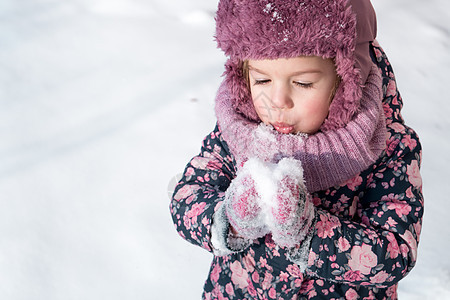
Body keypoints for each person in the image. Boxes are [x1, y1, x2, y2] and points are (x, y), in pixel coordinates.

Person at [169, 0, 423, 298]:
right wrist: (230, 220)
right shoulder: (239, 130)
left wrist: (309, 233)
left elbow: (395, 252)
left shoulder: (386, 146)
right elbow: (187, 195)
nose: (278, 101)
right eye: (261, 79)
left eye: (302, 83)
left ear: (347, 80)